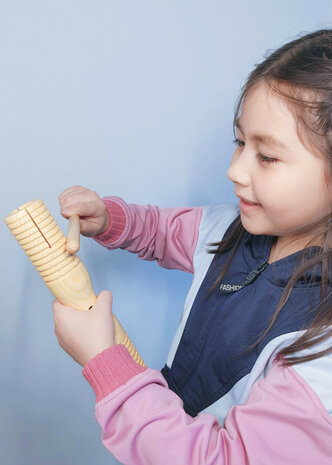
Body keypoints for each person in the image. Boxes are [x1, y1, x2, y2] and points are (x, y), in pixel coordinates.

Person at [53, 28, 332, 464]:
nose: (234, 170)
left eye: (266, 156)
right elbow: (162, 232)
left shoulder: (322, 348)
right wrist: (111, 220)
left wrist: (104, 363)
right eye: (240, 142)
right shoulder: (232, 228)